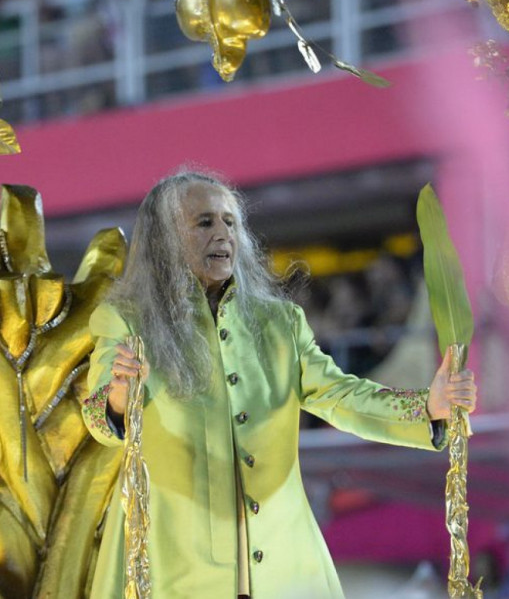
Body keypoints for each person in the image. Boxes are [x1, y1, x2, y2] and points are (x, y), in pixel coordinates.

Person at [80, 170, 477, 599]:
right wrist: (118, 402)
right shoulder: (126, 321)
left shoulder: (280, 324)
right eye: (204, 222)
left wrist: (426, 408)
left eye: (230, 222)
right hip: (171, 567)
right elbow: (96, 416)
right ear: (164, 240)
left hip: (286, 568)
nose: (223, 234)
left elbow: (339, 396)